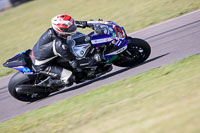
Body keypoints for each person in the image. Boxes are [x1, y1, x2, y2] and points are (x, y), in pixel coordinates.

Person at [30, 14, 98, 88]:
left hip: (43, 53)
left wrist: (86, 23)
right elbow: (74, 61)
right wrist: (90, 60)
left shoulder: (55, 30)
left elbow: (72, 24)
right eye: (70, 28)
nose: (73, 28)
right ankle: (47, 84)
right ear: (61, 30)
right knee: (69, 79)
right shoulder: (60, 45)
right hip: (42, 65)